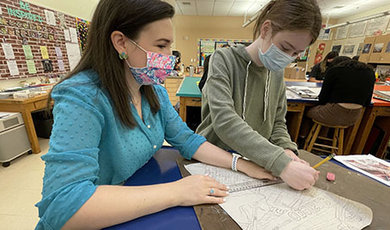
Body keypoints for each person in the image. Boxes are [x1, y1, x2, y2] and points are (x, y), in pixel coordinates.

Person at [35, 0, 274, 229]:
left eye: (170, 46)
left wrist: (240, 164)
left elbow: (188, 140)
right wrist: (177, 192)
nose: (170, 57)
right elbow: (62, 205)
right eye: (161, 46)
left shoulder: (153, 91)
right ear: (121, 43)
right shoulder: (83, 97)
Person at [196, 0, 321, 192]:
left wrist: (286, 150)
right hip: (217, 161)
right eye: (285, 47)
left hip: (257, 163)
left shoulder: (276, 72)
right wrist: (281, 163)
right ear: (266, 29)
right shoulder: (223, 59)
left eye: (296, 53)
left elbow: (277, 122)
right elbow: (225, 122)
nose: (288, 57)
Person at [307, 56, 375, 126]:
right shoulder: (370, 72)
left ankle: (304, 136)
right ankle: (324, 134)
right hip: (354, 117)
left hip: (332, 113)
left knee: (308, 111)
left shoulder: (334, 71)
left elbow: (323, 98)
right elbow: (367, 102)